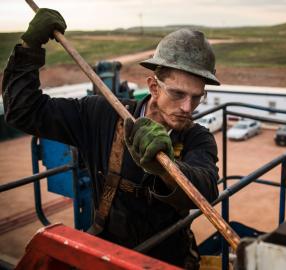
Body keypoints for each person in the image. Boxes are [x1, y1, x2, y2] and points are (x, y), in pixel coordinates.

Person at [2, 9, 220, 269]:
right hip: (104, 252)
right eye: (178, 94)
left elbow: (205, 190)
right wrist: (29, 48)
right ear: (153, 86)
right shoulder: (101, 115)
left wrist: (166, 169)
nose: (188, 107)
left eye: (197, 97)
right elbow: (24, 112)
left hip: (167, 259)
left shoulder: (198, 137)